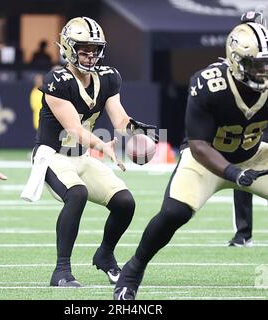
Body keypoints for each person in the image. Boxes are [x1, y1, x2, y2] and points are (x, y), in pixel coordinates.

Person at [114, 19, 268, 299]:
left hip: (254, 155)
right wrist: (233, 173)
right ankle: (133, 270)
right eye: (257, 64)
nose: (264, 71)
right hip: (207, 159)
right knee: (175, 213)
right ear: (236, 62)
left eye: (267, 63)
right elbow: (198, 144)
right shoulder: (209, 84)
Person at [21, 17, 158, 287]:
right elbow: (74, 129)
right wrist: (104, 146)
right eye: (83, 48)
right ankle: (61, 271)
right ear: (69, 48)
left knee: (124, 202)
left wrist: (134, 132)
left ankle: (105, 255)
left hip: (81, 158)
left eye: (94, 48)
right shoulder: (56, 80)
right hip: (53, 156)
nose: (90, 54)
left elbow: (119, 119)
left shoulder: (108, 77)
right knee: (77, 193)